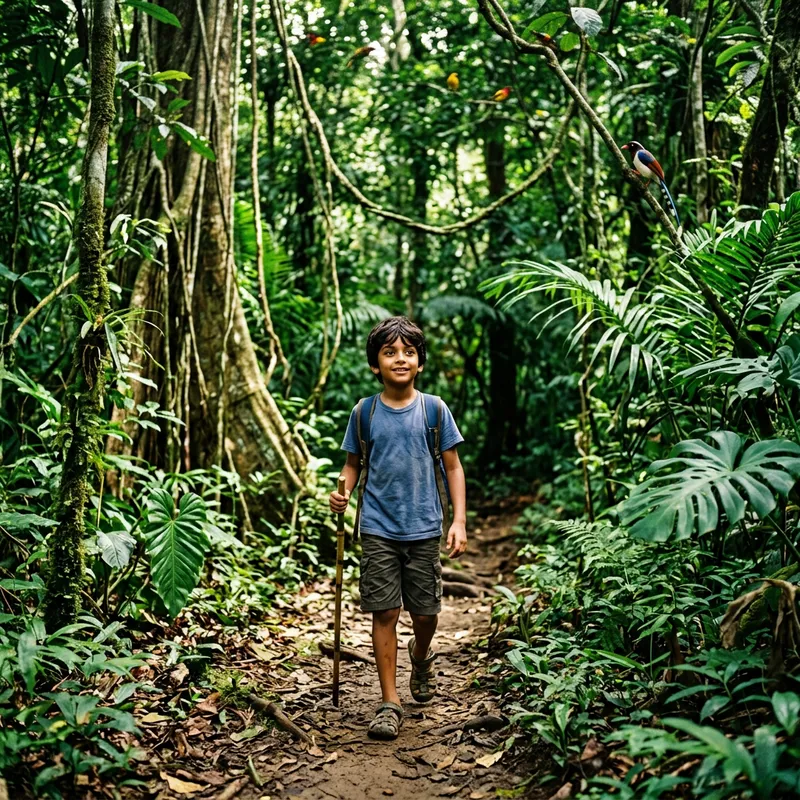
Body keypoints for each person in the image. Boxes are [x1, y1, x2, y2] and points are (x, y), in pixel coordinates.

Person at [330, 316, 467, 741]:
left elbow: (453, 467)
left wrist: (458, 520)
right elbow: (353, 465)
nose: (400, 359)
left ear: (420, 362)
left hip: (424, 526)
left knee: (426, 613)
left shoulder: (434, 410)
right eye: (389, 352)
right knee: (385, 611)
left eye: (408, 352)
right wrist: (343, 494)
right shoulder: (364, 411)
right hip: (377, 526)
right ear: (376, 364)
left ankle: (421, 654)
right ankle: (390, 702)